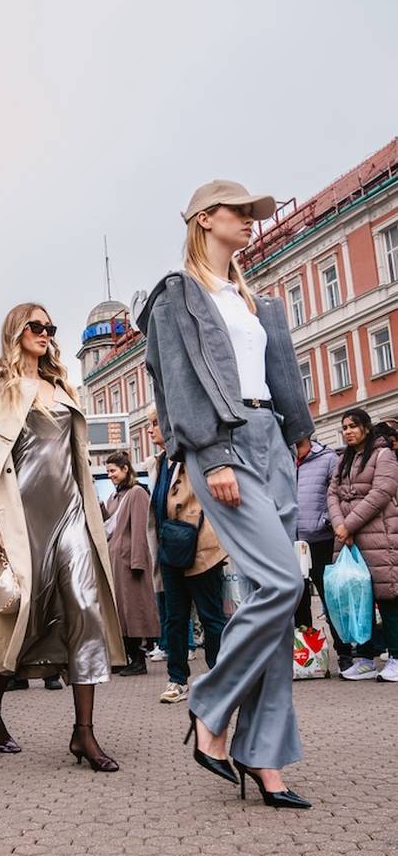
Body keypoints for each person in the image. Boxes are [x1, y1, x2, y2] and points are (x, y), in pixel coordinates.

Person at [138, 179, 314, 809]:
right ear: (206, 219)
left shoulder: (251, 298)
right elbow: (178, 384)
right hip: (226, 443)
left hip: (274, 445)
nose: (250, 221)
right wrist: (208, 452)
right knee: (280, 586)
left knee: (274, 598)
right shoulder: (178, 296)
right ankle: (209, 707)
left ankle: (265, 757)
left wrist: (299, 436)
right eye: (241, 212)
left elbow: (278, 374)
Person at [0, 302, 125, 772]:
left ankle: (84, 734)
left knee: (85, 607)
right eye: (36, 326)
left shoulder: (62, 388)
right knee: (27, 618)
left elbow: (75, 460)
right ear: (16, 332)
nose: (45, 333)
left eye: (50, 327)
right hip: (21, 518)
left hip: (71, 513)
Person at [146, 411, 227, 703]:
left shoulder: (193, 454)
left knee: (211, 616)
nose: (151, 430)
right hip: (170, 550)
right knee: (175, 619)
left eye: (155, 424)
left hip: (201, 547)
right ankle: (177, 679)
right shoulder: (158, 462)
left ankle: (219, 677)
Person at [327, 408, 398, 681]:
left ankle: (395, 657)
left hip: (381, 537)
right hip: (349, 539)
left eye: (353, 426)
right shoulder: (342, 459)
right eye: (344, 427)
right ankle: (366, 659)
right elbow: (331, 493)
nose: (348, 431)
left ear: (366, 428)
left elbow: (381, 493)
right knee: (359, 600)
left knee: (389, 598)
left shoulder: (384, 455)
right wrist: (339, 526)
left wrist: (348, 525)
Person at [293, 435, 350, 669]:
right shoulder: (282, 459)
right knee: (298, 600)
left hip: (319, 541)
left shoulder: (327, 459)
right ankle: (305, 658)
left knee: (329, 597)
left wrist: (325, 522)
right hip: (292, 542)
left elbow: (337, 494)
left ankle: (345, 653)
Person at [101, 450, 158, 676]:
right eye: (107, 472)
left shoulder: (137, 493)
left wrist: (138, 561)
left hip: (129, 563)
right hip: (116, 562)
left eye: (113, 470)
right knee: (121, 613)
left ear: (125, 469)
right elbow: (108, 524)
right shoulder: (115, 497)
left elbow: (140, 530)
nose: (110, 475)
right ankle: (127, 657)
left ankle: (138, 660)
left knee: (134, 612)